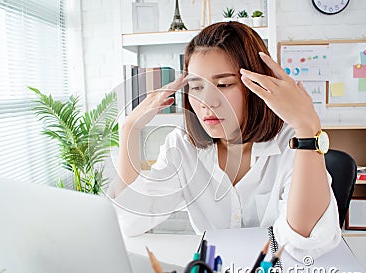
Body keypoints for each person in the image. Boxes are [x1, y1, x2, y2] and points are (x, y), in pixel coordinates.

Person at [109, 21, 341, 260]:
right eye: (196, 87)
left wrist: (308, 128)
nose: (207, 101)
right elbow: (130, 221)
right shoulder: (183, 146)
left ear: (258, 85)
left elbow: (304, 243)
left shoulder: (292, 141)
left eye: (223, 84)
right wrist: (130, 129)